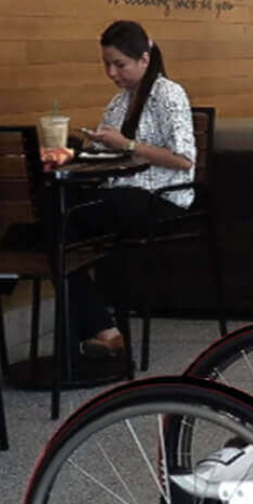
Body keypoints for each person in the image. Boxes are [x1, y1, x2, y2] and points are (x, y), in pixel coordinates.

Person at [69, 20, 196, 358]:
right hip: (123, 195)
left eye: (119, 64)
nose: (112, 73)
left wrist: (126, 145)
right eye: (106, 65)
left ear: (144, 59)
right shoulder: (118, 103)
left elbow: (184, 159)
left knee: (63, 221)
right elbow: (109, 152)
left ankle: (101, 328)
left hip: (163, 198)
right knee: (54, 218)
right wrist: (87, 148)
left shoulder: (168, 94)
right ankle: (104, 330)